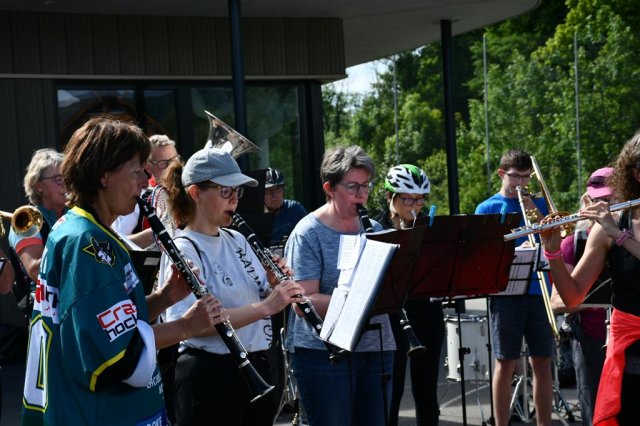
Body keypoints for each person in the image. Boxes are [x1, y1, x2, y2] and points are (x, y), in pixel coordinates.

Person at [21, 116, 224, 426]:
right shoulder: (87, 243)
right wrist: (186, 327)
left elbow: (108, 319)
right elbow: (118, 352)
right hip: (98, 413)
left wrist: (164, 297)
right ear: (104, 175)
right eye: (136, 171)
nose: (146, 181)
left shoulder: (85, 229)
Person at [158, 147, 304, 426]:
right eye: (225, 191)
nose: (235, 199)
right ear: (196, 193)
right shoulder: (183, 248)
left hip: (254, 366)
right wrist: (266, 306)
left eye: (238, 191)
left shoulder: (237, 238)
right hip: (209, 376)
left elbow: (255, 294)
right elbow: (196, 323)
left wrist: (272, 284)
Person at [285, 145, 396, 426]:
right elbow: (302, 302)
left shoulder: (377, 231)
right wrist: (358, 300)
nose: (362, 194)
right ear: (330, 188)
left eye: (366, 186)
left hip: (377, 347)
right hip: (323, 353)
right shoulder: (308, 233)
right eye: (352, 186)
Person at [540, 131, 640, 425]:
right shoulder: (612, 224)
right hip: (631, 357)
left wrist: (618, 236)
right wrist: (552, 250)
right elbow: (572, 297)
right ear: (636, 173)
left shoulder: (613, 229)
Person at [475, 149, 552, 426]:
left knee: (542, 361)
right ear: (501, 174)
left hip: (540, 291)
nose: (521, 183)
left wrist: (534, 209)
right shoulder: (487, 208)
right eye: (515, 177)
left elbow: (553, 239)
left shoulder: (539, 204)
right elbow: (481, 255)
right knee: (505, 362)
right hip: (505, 293)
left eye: (526, 177)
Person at [376, 164, 445, 426]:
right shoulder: (375, 227)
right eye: (408, 199)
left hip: (426, 312)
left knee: (426, 389)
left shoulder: (431, 227)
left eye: (420, 199)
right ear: (389, 196)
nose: (415, 205)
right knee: (391, 390)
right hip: (391, 317)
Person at [550, 167, 612, 426]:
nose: (603, 206)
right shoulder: (572, 244)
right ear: (586, 201)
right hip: (590, 341)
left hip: (627, 339)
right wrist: (588, 294)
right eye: (598, 200)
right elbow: (556, 302)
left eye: (610, 200)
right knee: (594, 414)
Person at [8, 148, 68, 315]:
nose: (65, 184)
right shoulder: (26, 219)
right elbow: (36, 271)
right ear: (39, 186)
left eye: (67, 177)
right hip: (45, 313)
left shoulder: (73, 214)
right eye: (58, 179)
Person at [112, 134, 181, 248]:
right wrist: (154, 234)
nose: (173, 167)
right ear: (148, 167)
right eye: (163, 163)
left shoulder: (188, 191)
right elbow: (115, 241)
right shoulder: (138, 196)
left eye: (175, 160)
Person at [264, 167, 307, 246]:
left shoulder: (296, 210)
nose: (274, 195)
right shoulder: (256, 215)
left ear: (283, 191)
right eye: (269, 191)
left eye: (278, 190)